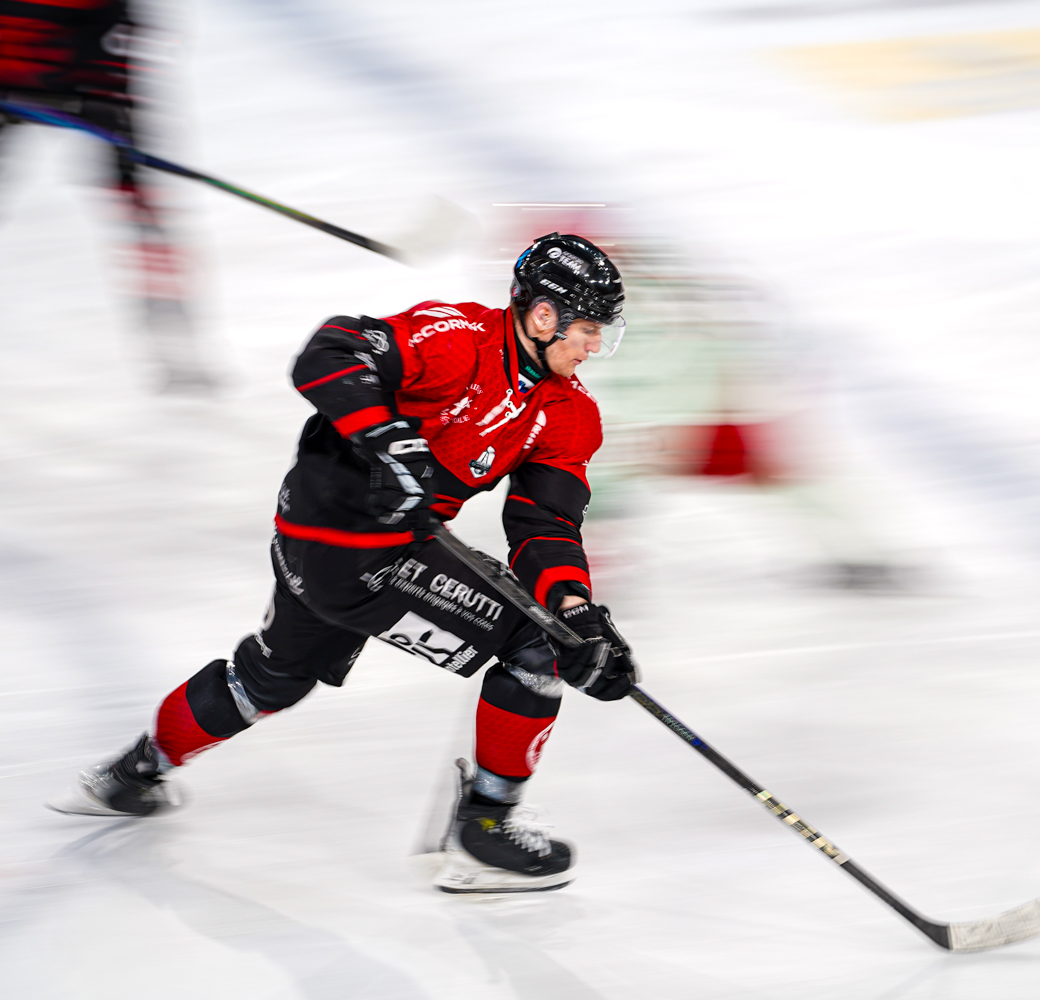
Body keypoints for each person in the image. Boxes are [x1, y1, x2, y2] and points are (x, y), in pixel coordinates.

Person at [47, 232, 637, 895]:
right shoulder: (455, 337)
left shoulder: (569, 414)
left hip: (329, 546)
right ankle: (484, 833)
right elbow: (328, 353)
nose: (593, 347)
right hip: (351, 546)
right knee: (536, 653)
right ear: (543, 315)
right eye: (587, 329)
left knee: (271, 678)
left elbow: (544, 524)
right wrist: (390, 443)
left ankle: (132, 774)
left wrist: (578, 612)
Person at [0, 0, 210, 389]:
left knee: (140, 207)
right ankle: (174, 339)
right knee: (140, 207)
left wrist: (119, 114)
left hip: (89, 88)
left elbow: (120, 41)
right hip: (35, 83)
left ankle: (174, 337)